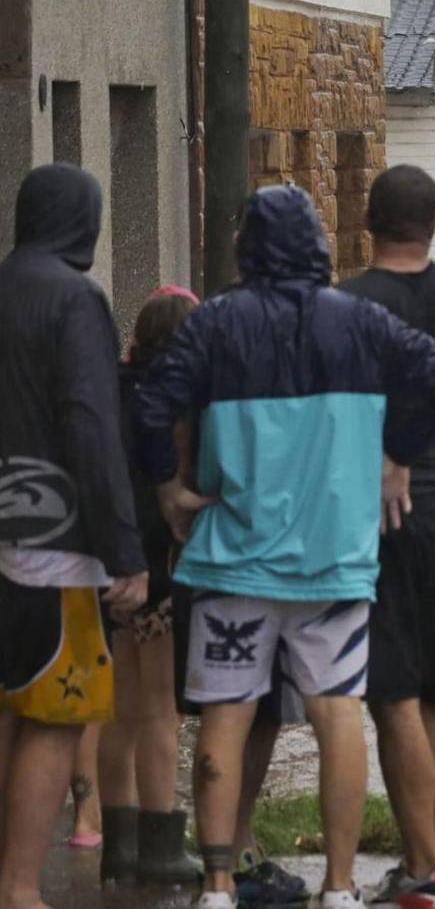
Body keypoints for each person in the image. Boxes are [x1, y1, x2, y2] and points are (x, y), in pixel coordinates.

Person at [135, 184, 435, 909]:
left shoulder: (215, 324)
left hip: (232, 558)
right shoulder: (361, 322)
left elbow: (149, 400)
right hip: (335, 562)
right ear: (319, 244)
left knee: (225, 716)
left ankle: (219, 885)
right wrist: (398, 453)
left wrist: (167, 488)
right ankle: (342, 886)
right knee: (337, 713)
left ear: (245, 248)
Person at [339, 164, 435, 909]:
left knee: (393, 692)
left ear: (366, 222)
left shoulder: (347, 304)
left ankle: (421, 871)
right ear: (430, 227)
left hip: (385, 505)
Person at [0, 163, 150, 909]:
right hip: (54, 547)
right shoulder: (75, 300)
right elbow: (93, 428)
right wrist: (125, 551)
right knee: (55, 717)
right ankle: (21, 888)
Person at [97, 288, 203, 885]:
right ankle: (163, 846)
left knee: (120, 711)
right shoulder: (181, 398)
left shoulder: (112, 387)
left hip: (111, 561)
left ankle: (119, 846)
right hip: (161, 563)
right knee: (162, 713)